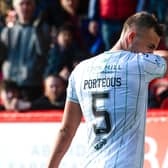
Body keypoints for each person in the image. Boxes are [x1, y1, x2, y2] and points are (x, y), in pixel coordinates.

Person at [48, 12, 167, 168]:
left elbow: (66, 130)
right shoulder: (140, 64)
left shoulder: (80, 70)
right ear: (131, 38)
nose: (151, 54)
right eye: (150, 47)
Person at [0, 0, 50, 101]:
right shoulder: (7, 30)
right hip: (10, 83)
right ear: (15, 6)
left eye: (28, 4)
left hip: (32, 84)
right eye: (21, 4)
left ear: (34, 6)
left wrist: (38, 30)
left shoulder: (42, 28)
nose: (25, 7)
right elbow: (2, 56)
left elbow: (44, 53)